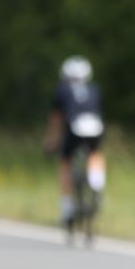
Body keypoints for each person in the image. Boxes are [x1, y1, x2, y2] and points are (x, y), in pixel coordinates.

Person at [45, 56, 106, 229]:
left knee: (66, 162)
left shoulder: (62, 90)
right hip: (95, 127)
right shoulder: (94, 89)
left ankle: (67, 208)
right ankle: (97, 184)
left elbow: (57, 119)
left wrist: (51, 141)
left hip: (74, 127)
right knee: (95, 154)